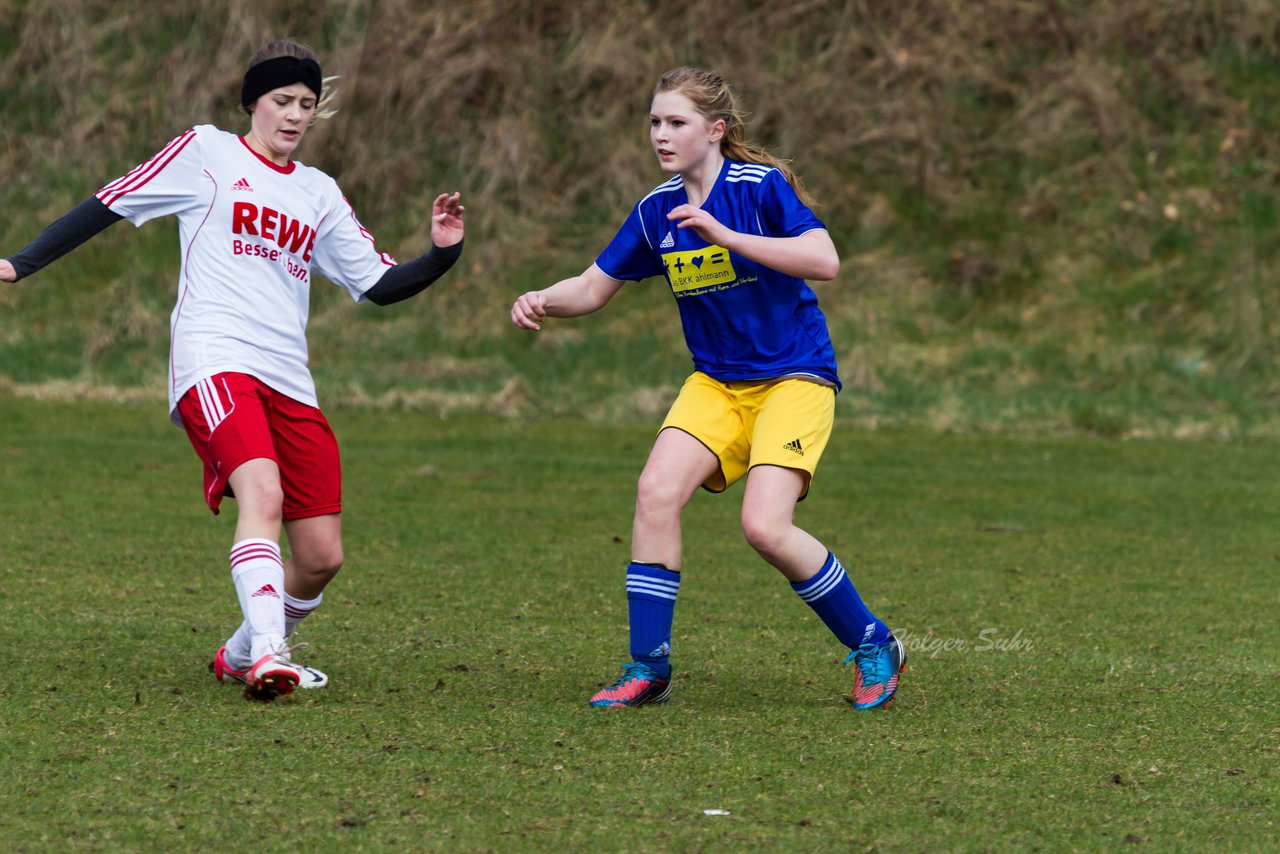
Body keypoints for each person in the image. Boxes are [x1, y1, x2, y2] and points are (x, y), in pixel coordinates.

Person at [1, 39, 465, 700]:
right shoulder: (206, 152)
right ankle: (272, 654)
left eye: (307, 104)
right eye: (282, 101)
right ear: (253, 102)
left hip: (289, 380)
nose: (296, 115)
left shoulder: (319, 193)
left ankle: (241, 652)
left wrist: (442, 254)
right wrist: (20, 263)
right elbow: (111, 201)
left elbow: (380, 285)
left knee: (322, 557)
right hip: (213, 360)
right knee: (263, 495)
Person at [511, 67, 904, 710]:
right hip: (718, 384)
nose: (660, 135)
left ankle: (872, 641)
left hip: (794, 377)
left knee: (765, 527)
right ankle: (648, 666)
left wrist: (726, 235)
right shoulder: (655, 209)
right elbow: (592, 287)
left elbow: (825, 259)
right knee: (656, 493)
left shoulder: (759, 188)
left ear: (715, 130)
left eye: (677, 123)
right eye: (654, 122)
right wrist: (541, 300)